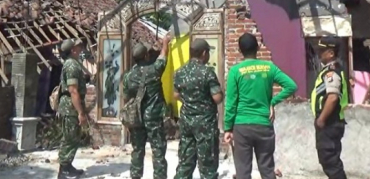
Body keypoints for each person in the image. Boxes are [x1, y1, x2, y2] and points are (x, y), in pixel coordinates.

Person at [223, 33, 298, 179]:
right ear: (257, 48)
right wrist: (273, 102)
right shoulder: (269, 67)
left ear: (239, 50)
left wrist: (228, 128)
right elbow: (291, 86)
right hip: (264, 125)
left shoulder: (235, 71)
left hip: (242, 126)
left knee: (243, 171)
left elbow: (231, 103)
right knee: (267, 169)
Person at [173, 38, 223, 179]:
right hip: (205, 124)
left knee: (185, 161)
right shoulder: (207, 73)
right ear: (204, 53)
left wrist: (189, 101)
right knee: (207, 164)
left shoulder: (179, 72)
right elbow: (217, 98)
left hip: (186, 121)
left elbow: (176, 95)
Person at [122, 35, 171, 179]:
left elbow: (126, 97)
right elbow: (163, 56)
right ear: (146, 55)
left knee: (137, 150)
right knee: (158, 150)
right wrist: (165, 43)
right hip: (154, 118)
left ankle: (135, 176)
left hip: (136, 118)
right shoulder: (154, 70)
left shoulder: (128, 76)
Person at [310, 37, 348, 179]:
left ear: (331, 53)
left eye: (322, 51)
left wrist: (321, 119)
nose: (319, 54)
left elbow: (332, 98)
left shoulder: (332, 73)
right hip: (331, 122)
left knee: (330, 160)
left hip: (329, 123)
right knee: (329, 160)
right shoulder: (329, 71)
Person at [57, 39, 88, 179]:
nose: (81, 49)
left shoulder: (72, 64)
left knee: (73, 137)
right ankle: (64, 170)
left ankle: (68, 166)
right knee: (70, 138)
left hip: (70, 106)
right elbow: (73, 91)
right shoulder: (71, 66)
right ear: (73, 50)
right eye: (78, 47)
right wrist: (81, 112)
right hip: (70, 107)